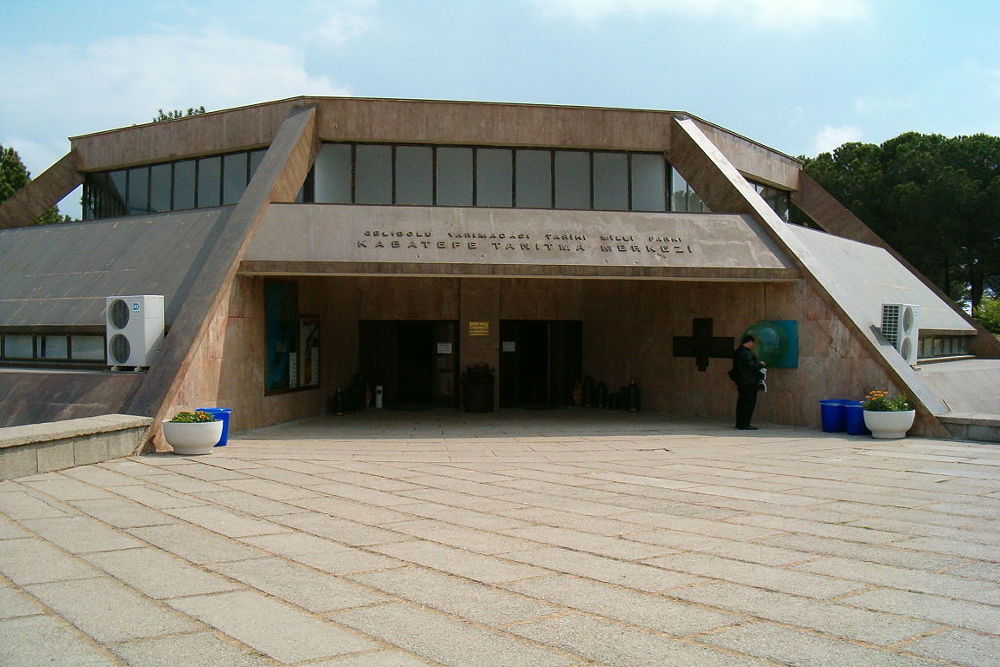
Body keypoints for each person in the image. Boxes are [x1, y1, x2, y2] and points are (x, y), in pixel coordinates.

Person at [731, 334, 765, 430]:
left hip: (741, 381)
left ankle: (740, 423)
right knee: (748, 403)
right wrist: (760, 364)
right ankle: (745, 424)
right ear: (749, 342)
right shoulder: (747, 353)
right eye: (753, 343)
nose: (753, 345)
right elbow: (752, 367)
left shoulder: (737, 352)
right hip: (749, 382)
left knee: (741, 402)